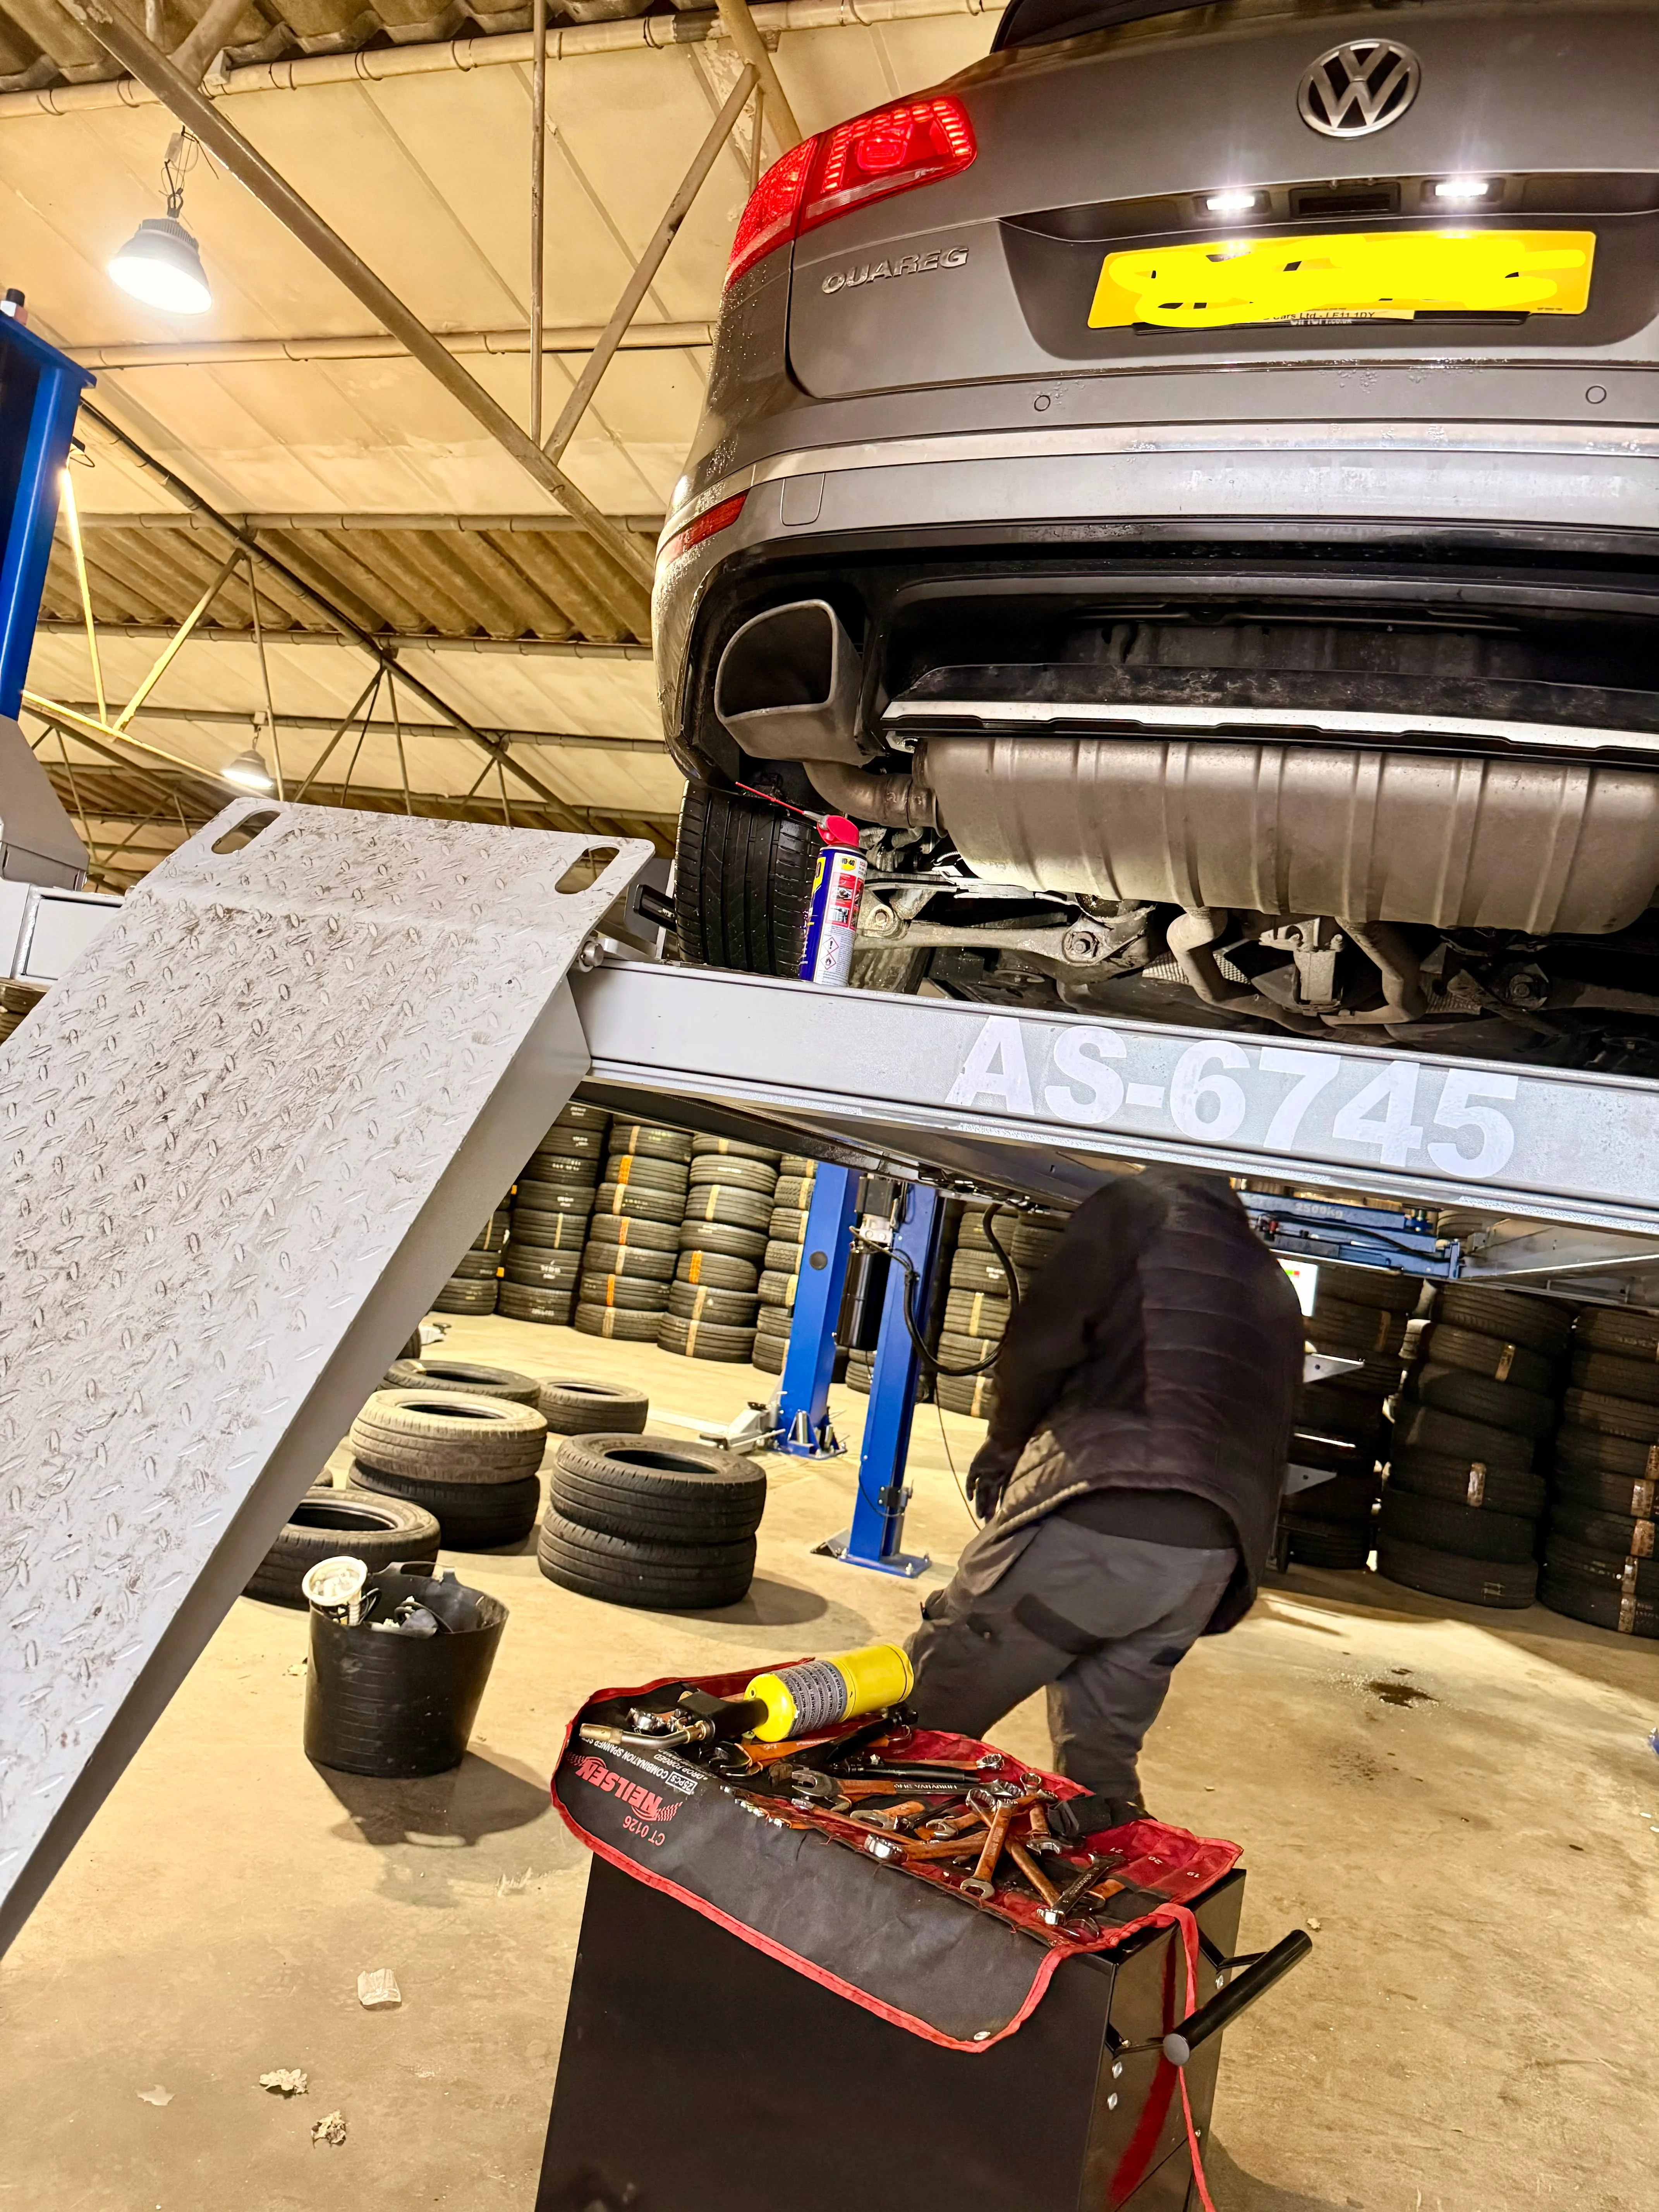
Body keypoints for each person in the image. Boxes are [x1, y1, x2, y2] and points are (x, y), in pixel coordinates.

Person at [906, 1166, 1304, 1829]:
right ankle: (1127, 1905)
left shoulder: (1135, 1210)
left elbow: (1043, 1340)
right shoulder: (1266, 1271)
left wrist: (1007, 1444)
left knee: (918, 1718)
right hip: (1206, 1564)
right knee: (1101, 1766)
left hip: (1100, 1525)